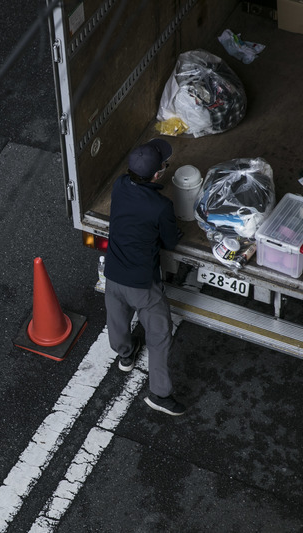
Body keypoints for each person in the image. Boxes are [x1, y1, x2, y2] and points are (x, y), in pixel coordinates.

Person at [103, 139, 185, 416]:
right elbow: (171, 242)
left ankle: (125, 355)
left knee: (117, 316)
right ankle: (160, 395)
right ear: (158, 174)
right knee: (160, 335)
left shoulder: (119, 185)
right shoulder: (160, 206)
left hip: (113, 273)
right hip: (142, 284)